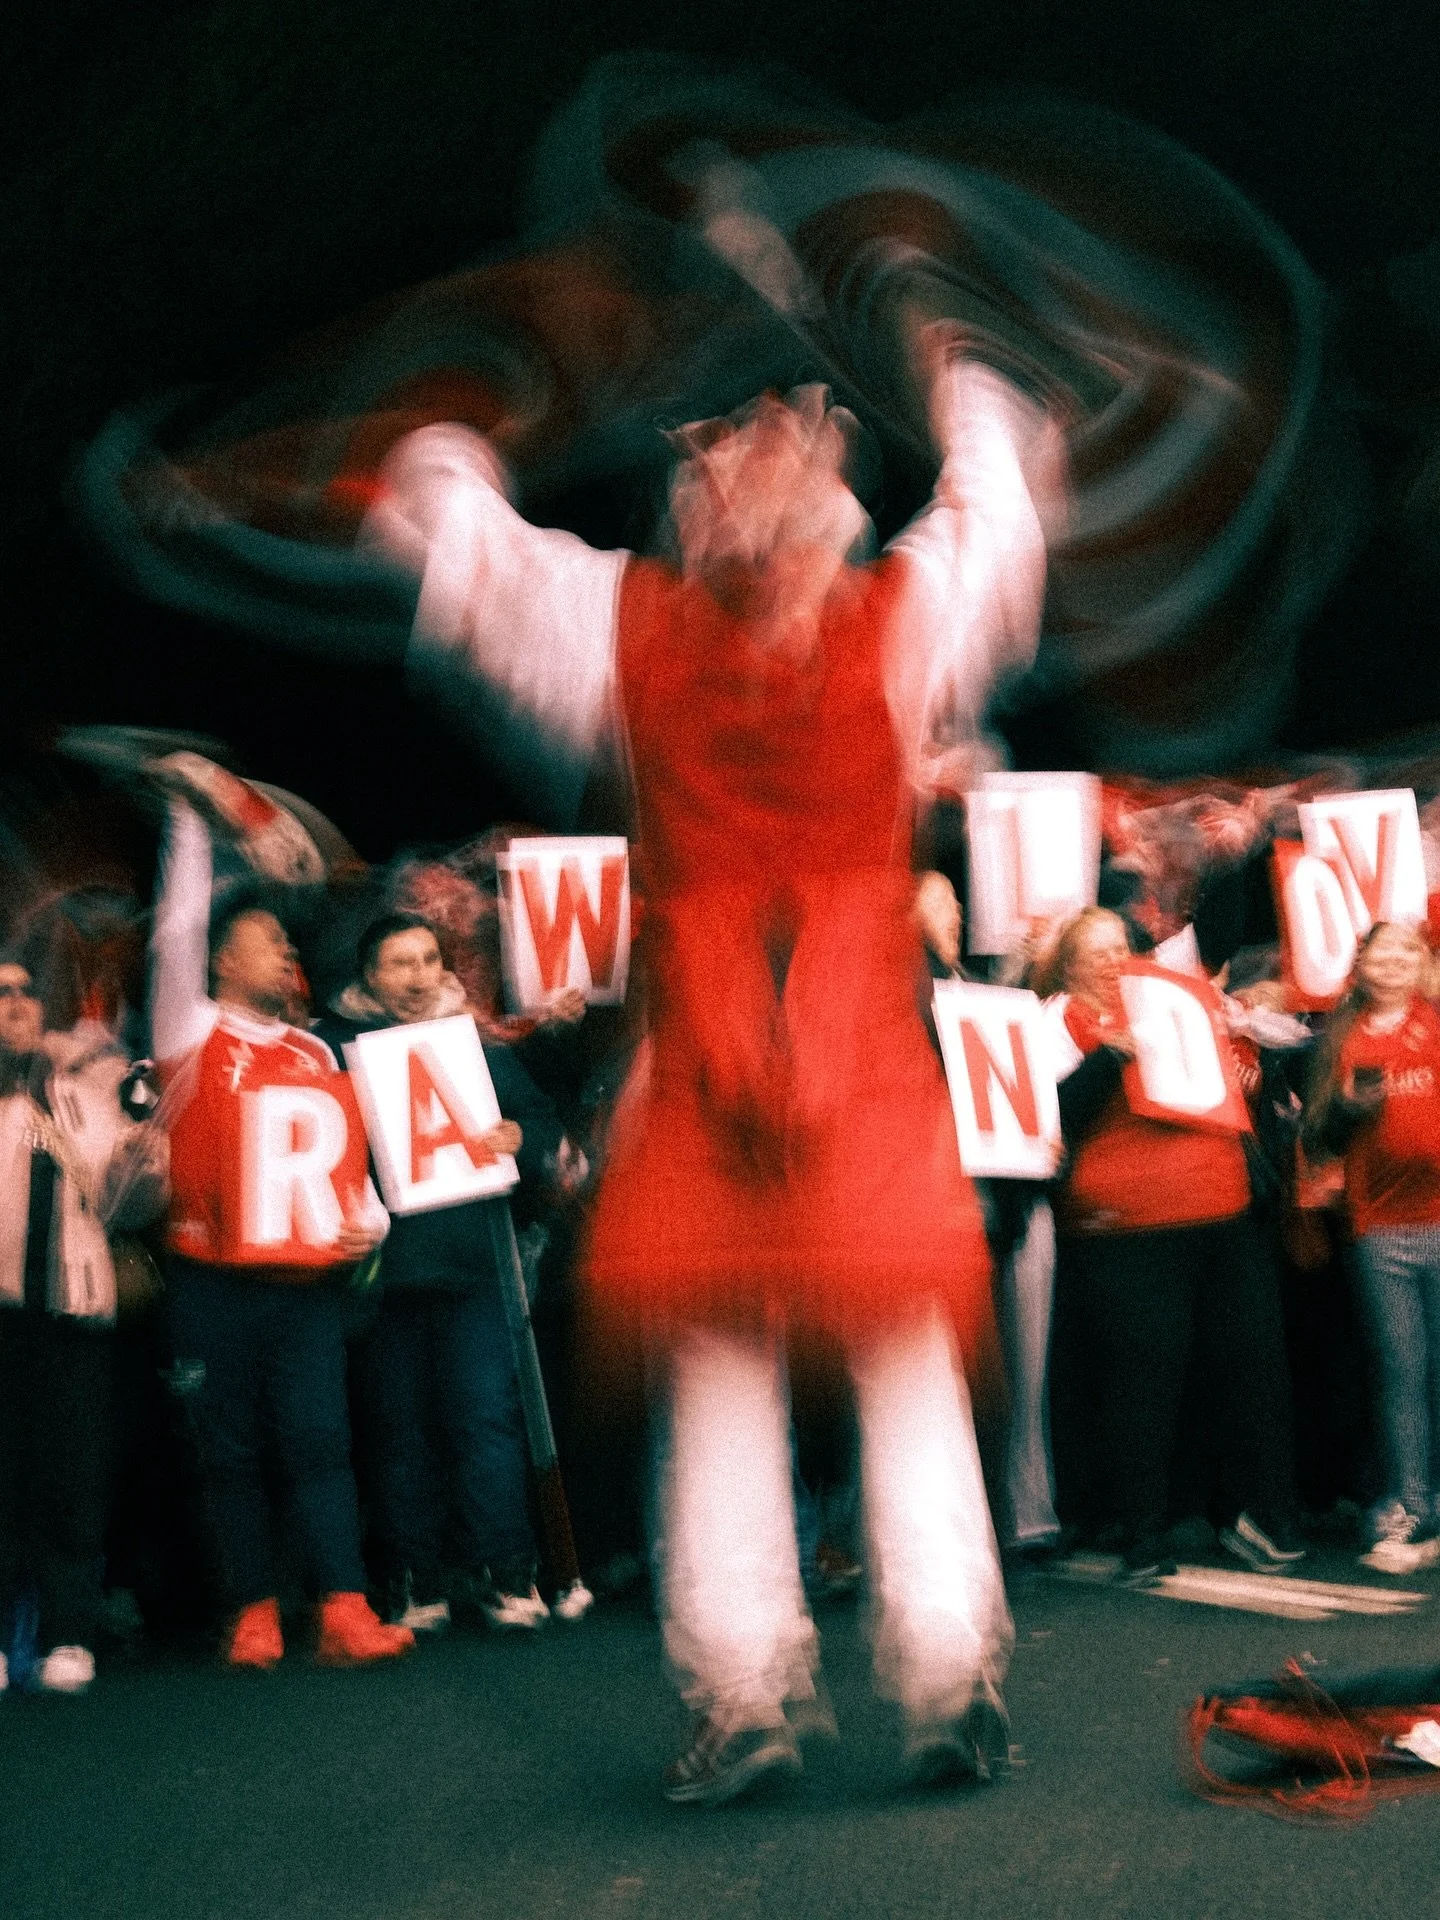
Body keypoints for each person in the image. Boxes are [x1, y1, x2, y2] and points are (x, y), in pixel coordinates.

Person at [362, 324, 1063, 1801]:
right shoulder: (900, 615)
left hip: (709, 1040)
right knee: (901, 1356)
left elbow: (463, 547)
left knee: (723, 1364)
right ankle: (947, 1668)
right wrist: (965, 387)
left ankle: (747, 1691)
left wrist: (450, 437)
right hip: (859, 1037)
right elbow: (998, 510)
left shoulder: (626, 624)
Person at [149, 798, 412, 1669]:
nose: (287, 953)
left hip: (304, 1293)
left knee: (321, 1444)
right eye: (269, 940)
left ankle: (342, 1607)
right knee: (228, 1453)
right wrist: (191, 819)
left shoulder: (317, 1055)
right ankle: (253, 1612)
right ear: (224, 961)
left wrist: (365, 1228)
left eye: (289, 944)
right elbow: (176, 931)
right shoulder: (188, 1033)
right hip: (210, 1285)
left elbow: (355, 1175)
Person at [317, 911, 582, 1631]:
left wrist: (521, 1138)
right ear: (369, 975)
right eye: (400, 963)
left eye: (429, 959)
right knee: (400, 1431)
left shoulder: (476, 1046)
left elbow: (544, 1127)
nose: (418, 975)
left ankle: (506, 1573)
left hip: (473, 1265)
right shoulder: (333, 1049)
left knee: (485, 1423)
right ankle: (417, 1579)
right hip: (387, 1273)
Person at [1046, 907, 1300, 1580]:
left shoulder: (1175, 1003)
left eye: (1118, 946)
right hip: (1127, 1225)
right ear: (1066, 967)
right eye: (1090, 950)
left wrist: (1229, 1022)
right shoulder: (1061, 1023)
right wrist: (1110, 1057)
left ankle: (1261, 1516)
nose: (1107, 959)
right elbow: (1046, 1114)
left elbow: (1268, 1057)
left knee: (1251, 1366)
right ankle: (1141, 1531)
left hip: (1221, 1208)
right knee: (1142, 1382)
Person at [0, 959, 168, 1696]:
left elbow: (128, 1209)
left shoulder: (84, 1094)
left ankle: (70, 1631)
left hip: (73, 1309)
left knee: (73, 1476)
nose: (15, 1005)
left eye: (25, 992)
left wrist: (141, 1163)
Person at [1304, 920, 1440, 1563]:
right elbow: (1316, 1135)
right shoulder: (1341, 1035)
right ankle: (1412, 1502)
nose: (1390, 961)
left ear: (1419, 963)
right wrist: (1347, 1111)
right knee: (1401, 1371)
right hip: (1379, 1228)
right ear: (1359, 966)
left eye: (1402, 951)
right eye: (1378, 951)